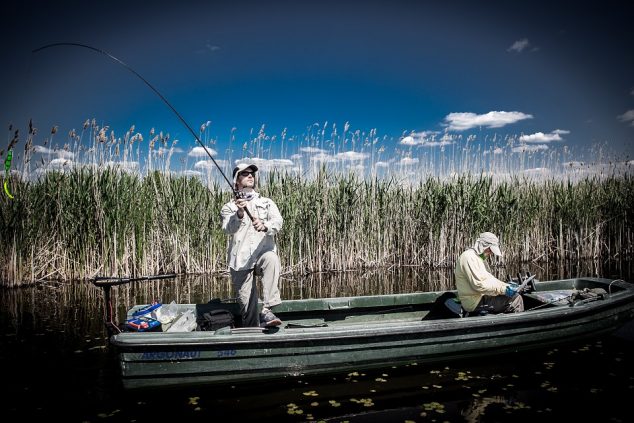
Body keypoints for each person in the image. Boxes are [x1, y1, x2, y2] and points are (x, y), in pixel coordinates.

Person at [220, 163, 284, 328]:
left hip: (262, 254)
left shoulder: (267, 202)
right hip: (240, 262)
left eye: (252, 173)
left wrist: (265, 226)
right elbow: (228, 229)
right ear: (236, 182)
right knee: (247, 309)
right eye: (245, 173)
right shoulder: (229, 207)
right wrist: (240, 213)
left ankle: (267, 309)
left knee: (271, 258)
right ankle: (252, 330)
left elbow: (278, 222)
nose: (250, 176)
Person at [454, 232, 524, 314]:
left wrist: (506, 286)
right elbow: (478, 285)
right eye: (490, 249)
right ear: (484, 245)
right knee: (516, 298)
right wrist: (504, 290)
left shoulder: (477, 258)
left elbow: (490, 279)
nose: (491, 253)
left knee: (511, 295)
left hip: (480, 297)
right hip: (474, 302)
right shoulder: (469, 257)